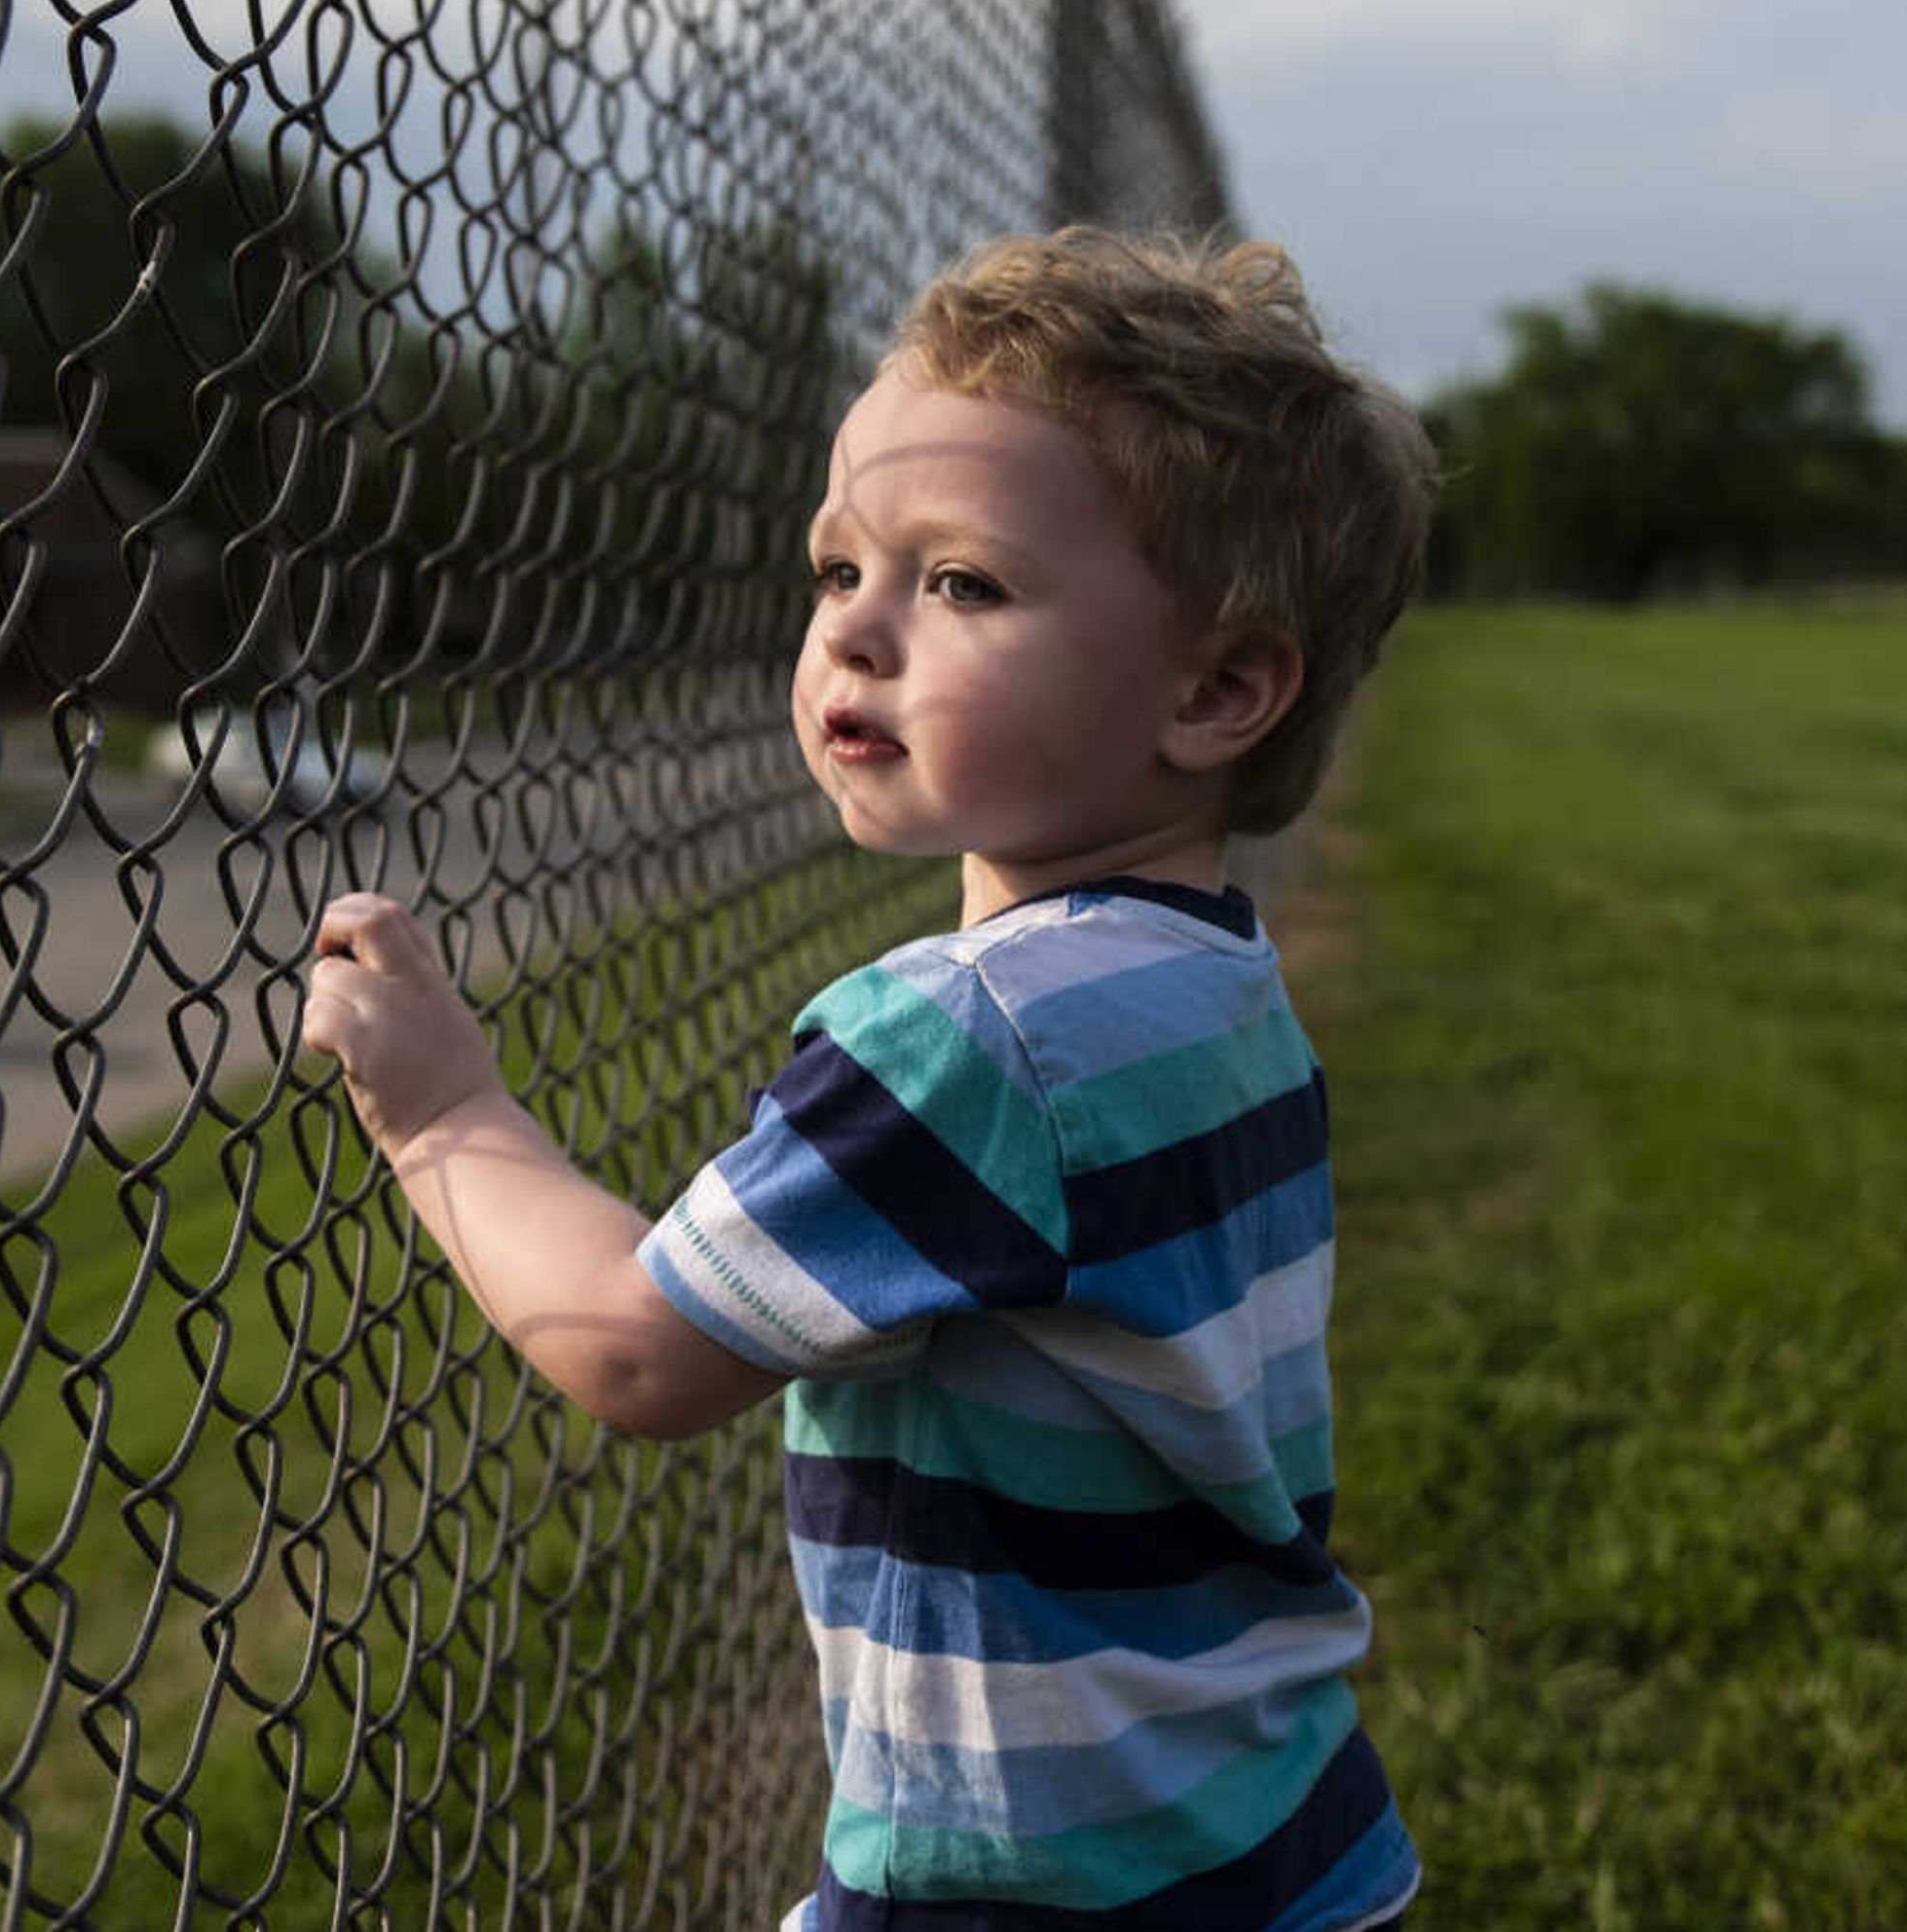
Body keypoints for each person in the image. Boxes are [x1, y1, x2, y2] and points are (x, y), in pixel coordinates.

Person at [302, 226, 1439, 1930]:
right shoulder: (1212, 983)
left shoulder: (979, 1034)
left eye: (961, 582)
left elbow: (635, 1343)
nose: (858, 637)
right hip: (1265, 1828)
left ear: (1215, 689)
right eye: (841, 569)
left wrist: (446, 1111)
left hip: (1029, 1880)